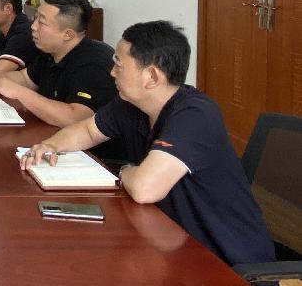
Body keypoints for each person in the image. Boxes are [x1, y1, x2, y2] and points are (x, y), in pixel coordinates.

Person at [20, 21, 275, 266]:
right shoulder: (130, 104)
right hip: (171, 241)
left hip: (225, 260)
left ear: (152, 76)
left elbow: (144, 189)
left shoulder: (195, 115)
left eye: (119, 65)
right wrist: (51, 145)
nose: (112, 72)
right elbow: (87, 130)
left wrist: (125, 171)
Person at [0, 0, 124, 161]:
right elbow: (25, 78)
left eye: (41, 22)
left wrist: (19, 92)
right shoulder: (51, 51)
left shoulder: (95, 63)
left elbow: (75, 118)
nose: (33, 26)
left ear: (67, 34)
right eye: (35, 18)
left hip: (94, 159)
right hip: (53, 142)